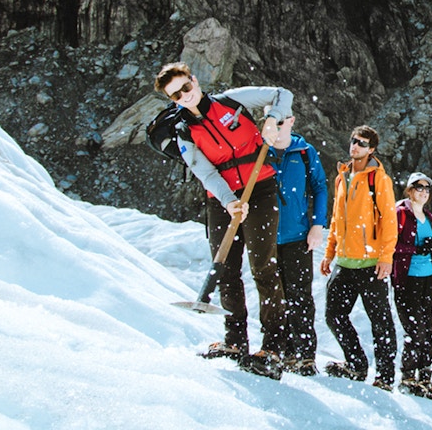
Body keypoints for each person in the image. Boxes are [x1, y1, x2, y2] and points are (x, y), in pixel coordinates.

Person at [154, 63, 291, 380]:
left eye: (185, 87)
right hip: (221, 198)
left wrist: (272, 118)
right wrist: (229, 200)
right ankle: (235, 342)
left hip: (260, 188)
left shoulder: (231, 101)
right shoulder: (183, 132)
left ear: (194, 80)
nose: (184, 96)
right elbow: (204, 171)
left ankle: (273, 346)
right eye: (176, 95)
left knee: (263, 266)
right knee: (226, 268)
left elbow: (283, 94)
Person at [319, 126, 398, 391]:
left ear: (372, 149)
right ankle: (356, 364)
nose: (355, 146)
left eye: (362, 143)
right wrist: (329, 253)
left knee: (381, 321)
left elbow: (389, 220)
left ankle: (386, 377)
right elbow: (336, 218)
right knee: (334, 315)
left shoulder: (379, 179)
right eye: (353, 141)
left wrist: (386, 257)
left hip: (371, 263)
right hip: (344, 262)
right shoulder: (342, 177)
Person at [270, 115, 329, 377]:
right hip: (267, 236)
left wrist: (318, 225)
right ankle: (278, 350)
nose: (277, 125)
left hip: (298, 235)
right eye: (271, 120)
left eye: (281, 120)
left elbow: (319, 187)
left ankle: (304, 354)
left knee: (300, 295)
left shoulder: (305, 152)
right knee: (273, 295)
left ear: (291, 121)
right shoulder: (260, 149)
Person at [391, 172, 432, 398]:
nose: (423, 192)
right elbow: (390, 245)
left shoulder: (429, 218)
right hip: (407, 279)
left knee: (427, 328)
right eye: (418, 187)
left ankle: (424, 374)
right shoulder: (400, 214)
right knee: (414, 329)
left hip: (426, 280)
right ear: (409, 190)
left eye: (426, 188)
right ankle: (407, 375)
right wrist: (413, 250)